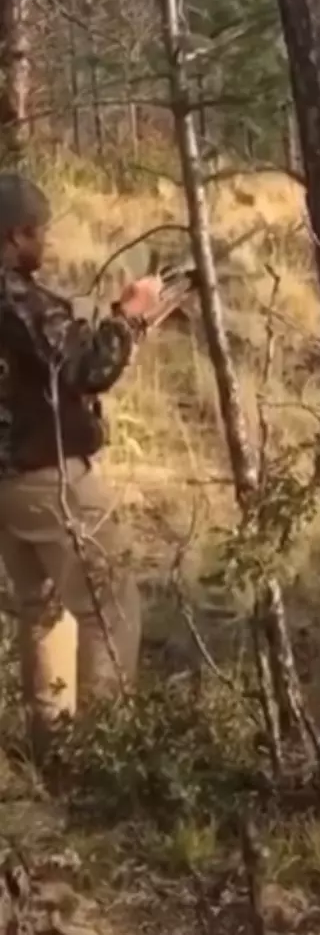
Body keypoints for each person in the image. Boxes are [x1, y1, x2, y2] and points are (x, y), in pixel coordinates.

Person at [0, 172, 164, 756]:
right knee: (109, 606)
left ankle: (51, 747)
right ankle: (105, 758)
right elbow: (87, 370)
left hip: (8, 488)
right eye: (39, 233)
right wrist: (133, 317)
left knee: (41, 609)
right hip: (51, 478)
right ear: (18, 235)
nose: (44, 244)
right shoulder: (16, 298)